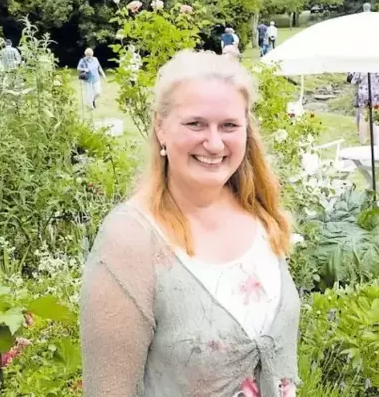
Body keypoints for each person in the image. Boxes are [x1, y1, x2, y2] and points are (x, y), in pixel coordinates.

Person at [80, 50, 299, 397]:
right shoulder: (131, 240)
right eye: (195, 124)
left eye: (228, 125)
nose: (213, 143)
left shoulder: (260, 215)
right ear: (160, 127)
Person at [349, 72, 379, 144]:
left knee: (363, 117)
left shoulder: (362, 66)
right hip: (376, 94)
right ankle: (375, 140)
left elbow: (353, 81)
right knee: (375, 117)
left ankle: (362, 140)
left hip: (363, 94)